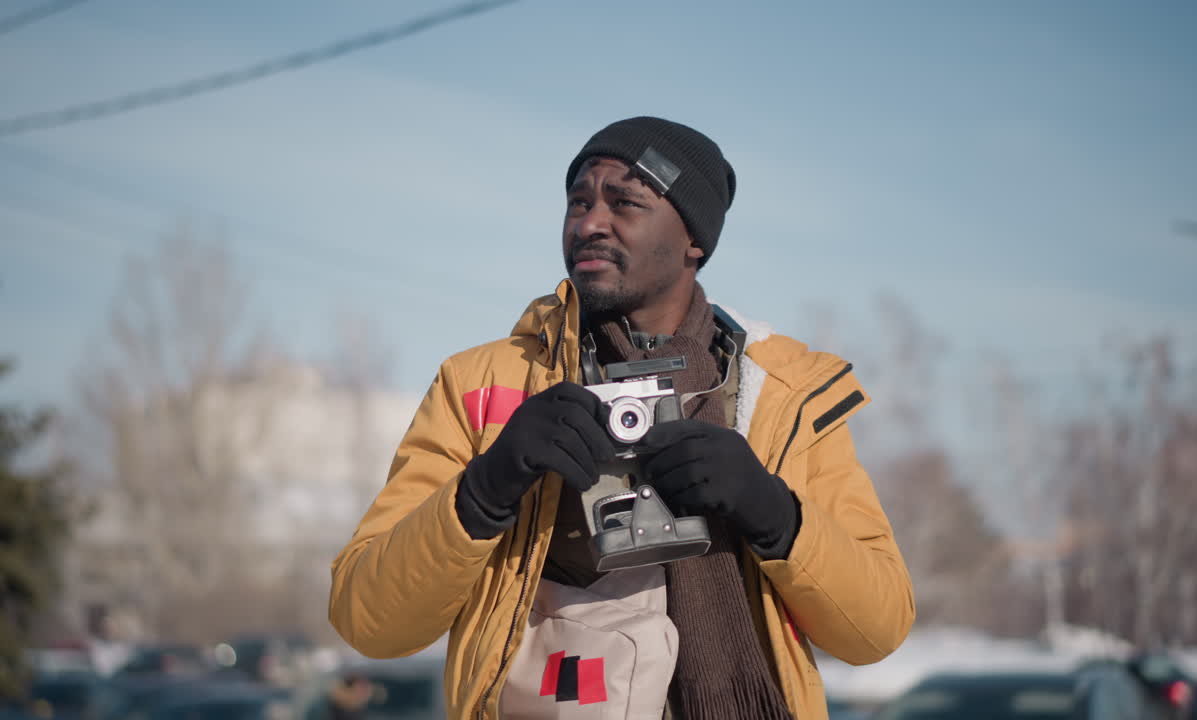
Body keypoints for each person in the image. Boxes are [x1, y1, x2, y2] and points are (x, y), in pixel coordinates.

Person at [329, 117, 915, 720]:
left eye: (625, 203)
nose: (589, 224)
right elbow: (370, 622)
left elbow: (876, 631)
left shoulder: (783, 395)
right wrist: (488, 485)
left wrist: (770, 509)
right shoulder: (482, 384)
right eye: (577, 201)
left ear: (695, 240)